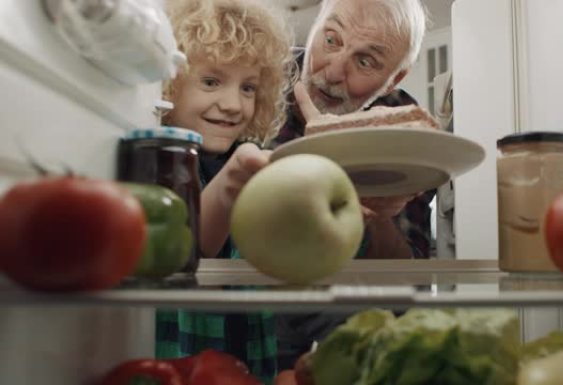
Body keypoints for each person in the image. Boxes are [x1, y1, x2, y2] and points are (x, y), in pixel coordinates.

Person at [270, 0, 434, 370]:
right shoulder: (256, 78)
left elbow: (407, 282)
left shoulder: (403, 126)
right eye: (331, 39)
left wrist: (375, 213)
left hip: (342, 314)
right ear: (314, 28)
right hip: (248, 304)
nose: (333, 71)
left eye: (365, 62)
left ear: (394, 79)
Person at [154, 0, 294, 383]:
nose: (234, 105)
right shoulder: (158, 159)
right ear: (168, 79)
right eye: (211, 81)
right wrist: (235, 177)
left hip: (250, 363)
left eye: (249, 87)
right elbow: (189, 247)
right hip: (180, 362)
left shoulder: (248, 160)